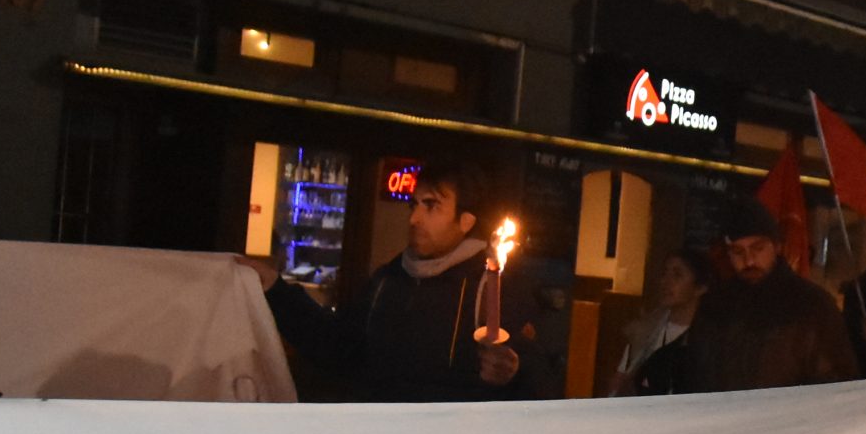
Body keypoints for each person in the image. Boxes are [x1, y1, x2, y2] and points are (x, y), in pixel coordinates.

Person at [261, 162, 549, 402]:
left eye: (431, 206)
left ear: (466, 221)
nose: (414, 218)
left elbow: (537, 377)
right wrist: (275, 290)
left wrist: (513, 371)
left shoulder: (493, 287)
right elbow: (338, 348)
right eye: (414, 205)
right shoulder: (389, 280)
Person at [683, 199, 858, 393]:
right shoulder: (715, 305)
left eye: (757, 248)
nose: (749, 260)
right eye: (738, 251)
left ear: (776, 246)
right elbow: (694, 373)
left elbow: (835, 383)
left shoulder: (811, 305)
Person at [609, 247, 710, 396]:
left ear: (700, 288)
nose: (665, 282)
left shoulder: (707, 339)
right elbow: (619, 383)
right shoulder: (644, 331)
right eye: (664, 273)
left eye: (677, 275)